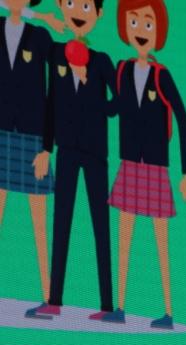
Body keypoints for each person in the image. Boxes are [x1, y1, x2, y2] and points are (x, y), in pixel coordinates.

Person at [26, 0, 116, 321]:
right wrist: (46, 149)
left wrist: (91, 88)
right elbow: (50, 103)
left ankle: (107, 305)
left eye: (86, 5)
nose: (78, 11)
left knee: (100, 226)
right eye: (71, 3)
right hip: (65, 150)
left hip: (95, 154)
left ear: (99, 14)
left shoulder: (102, 61)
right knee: (61, 222)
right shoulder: (55, 53)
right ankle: (54, 300)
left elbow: (118, 104)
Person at [104, 0, 186, 329]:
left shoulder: (161, 75)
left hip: (156, 167)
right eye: (135, 22)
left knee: (160, 242)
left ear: (159, 32)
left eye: (148, 24)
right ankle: (120, 307)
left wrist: (185, 173)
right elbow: (114, 109)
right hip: (129, 162)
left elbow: (182, 118)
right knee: (123, 238)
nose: (141, 30)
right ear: (125, 27)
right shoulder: (122, 70)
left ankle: (168, 311)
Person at [0, 0, 61, 305]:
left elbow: (54, 94)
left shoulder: (40, 37)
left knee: (40, 223)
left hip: (33, 136)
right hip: (1, 133)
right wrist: (37, 14)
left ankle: (48, 296)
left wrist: (47, 148)